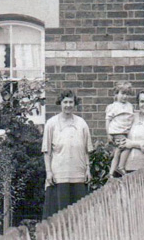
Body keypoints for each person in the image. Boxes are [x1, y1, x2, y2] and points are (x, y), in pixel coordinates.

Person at [41, 90, 93, 218]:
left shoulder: (81, 123)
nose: (68, 105)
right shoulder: (51, 123)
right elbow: (46, 151)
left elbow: (87, 150)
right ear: (60, 103)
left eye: (71, 102)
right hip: (59, 173)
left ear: (75, 104)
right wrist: (49, 172)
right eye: (65, 102)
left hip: (78, 173)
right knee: (59, 213)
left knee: (79, 213)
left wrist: (88, 169)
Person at [105, 81, 135, 177]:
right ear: (116, 94)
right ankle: (121, 167)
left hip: (126, 132)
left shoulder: (130, 106)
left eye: (127, 94)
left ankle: (111, 173)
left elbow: (132, 118)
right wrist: (108, 134)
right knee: (127, 147)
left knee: (118, 151)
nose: (124, 97)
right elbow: (108, 120)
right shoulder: (113, 106)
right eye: (122, 94)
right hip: (117, 132)